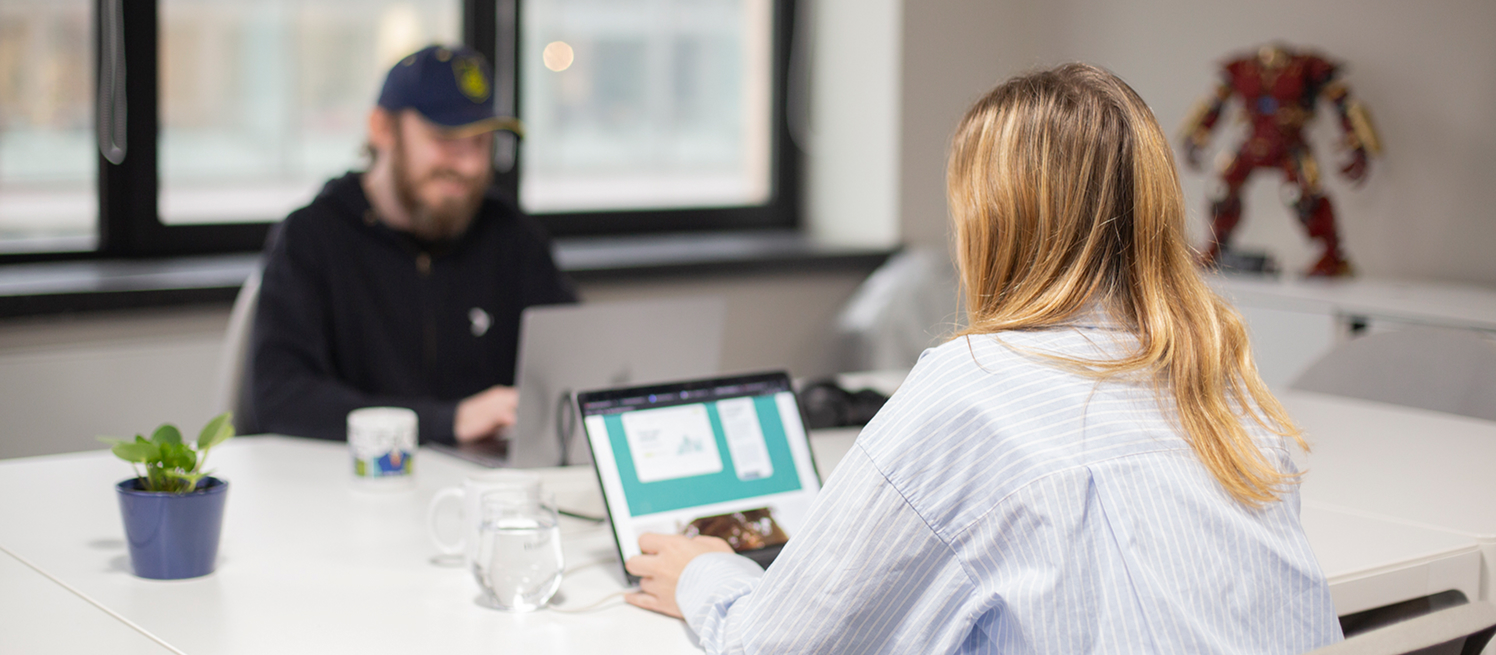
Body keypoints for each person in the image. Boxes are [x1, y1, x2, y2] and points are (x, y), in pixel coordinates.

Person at [623, 64, 1343, 653]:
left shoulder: (975, 386)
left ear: (992, 221)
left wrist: (707, 574)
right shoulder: (1220, 380)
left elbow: (779, 646)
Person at [250, 45, 576, 445]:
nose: (471, 165)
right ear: (382, 129)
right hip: (354, 488)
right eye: (446, 138)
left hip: (489, 486)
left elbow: (576, 363)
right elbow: (280, 398)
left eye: (483, 143)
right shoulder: (313, 237)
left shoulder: (509, 234)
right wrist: (447, 421)